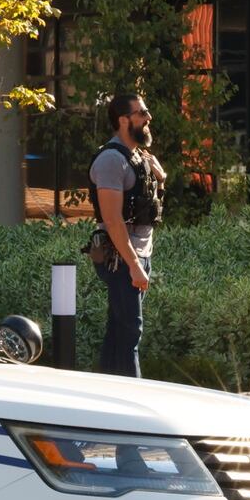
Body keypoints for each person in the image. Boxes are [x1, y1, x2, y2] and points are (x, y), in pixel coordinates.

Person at [89, 92, 166, 378]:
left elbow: (147, 207)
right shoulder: (111, 160)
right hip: (120, 257)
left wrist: (162, 178)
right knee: (130, 331)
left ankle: (105, 396)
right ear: (124, 120)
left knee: (120, 330)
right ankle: (133, 401)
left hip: (137, 254)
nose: (148, 118)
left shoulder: (138, 156)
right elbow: (112, 220)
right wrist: (133, 265)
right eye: (142, 113)